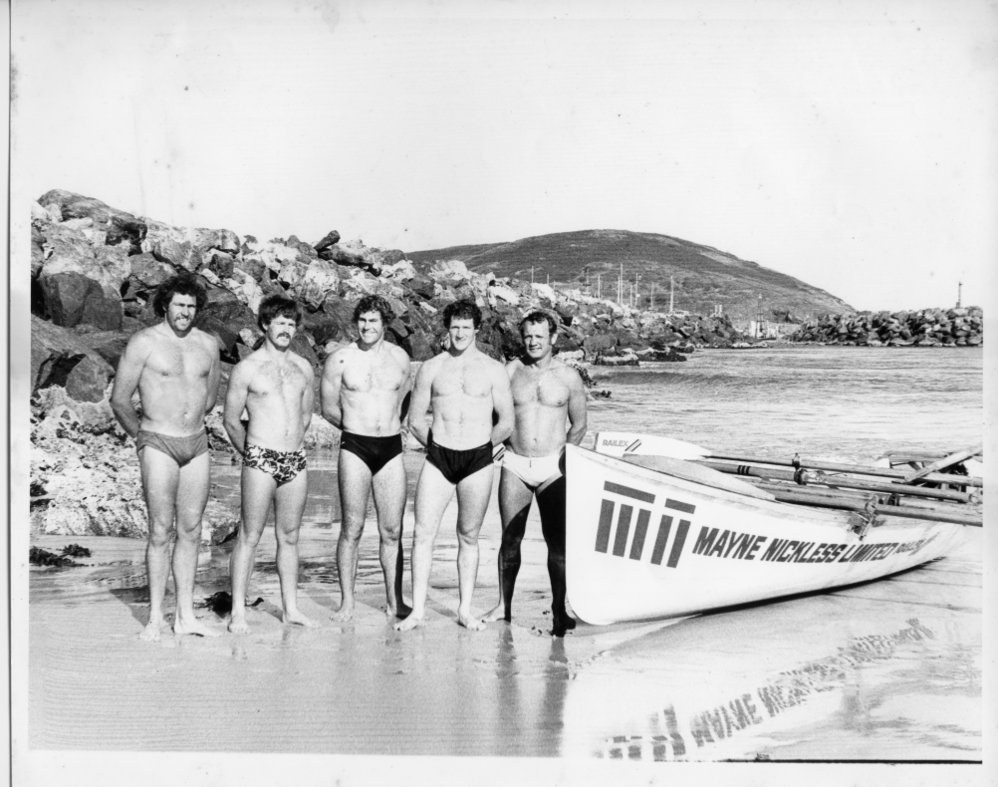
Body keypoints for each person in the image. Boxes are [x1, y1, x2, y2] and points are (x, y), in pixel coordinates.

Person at [110, 273, 222, 641]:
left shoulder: (208, 344)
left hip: (197, 444)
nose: (185, 312)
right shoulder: (144, 343)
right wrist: (143, 438)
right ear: (165, 305)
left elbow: (209, 397)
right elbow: (120, 399)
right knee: (160, 530)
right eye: (179, 305)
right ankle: (156, 617)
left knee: (192, 529)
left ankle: (185, 616)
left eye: (191, 306)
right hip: (158, 442)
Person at [394, 299, 514, 632]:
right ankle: (418, 611)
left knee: (469, 536)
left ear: (477, 329)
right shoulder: (432, 367)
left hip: (478, 459)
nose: (460, 333)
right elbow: (415, 419)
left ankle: (464, 609)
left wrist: (484, 448)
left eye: (466, 327)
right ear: (447, 329)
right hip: (439, 458)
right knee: (422, 533)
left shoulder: (493, 369)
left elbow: (506, 421)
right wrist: (435, 446)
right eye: (454, 327)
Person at [484, 311, 587, 636]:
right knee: (510, 539)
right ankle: (503, 606)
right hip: (515, 463)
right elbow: (492, 414)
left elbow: (579, 425)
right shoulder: (510, 371)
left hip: (553, 468)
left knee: (557, 543)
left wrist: (566, 457)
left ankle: (559, 609)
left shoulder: (569, 377)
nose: (533, 342)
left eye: (539, 336)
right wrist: (494, 443)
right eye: (528, 336)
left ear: (553, 338)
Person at [223, 293, 316, 633]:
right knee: (249, 535)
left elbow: (305, 416)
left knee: (289, 536)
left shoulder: (303, 368)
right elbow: (231, 420)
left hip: (295, 459)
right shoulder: (247, 368)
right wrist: (252, 455)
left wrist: (291, 445)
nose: (286, 329)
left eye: (291, 323)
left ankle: (291, 609)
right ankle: (238, 611)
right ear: (265, 324)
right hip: (260, 457)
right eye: (279, 323)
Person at [320, 294, 412, 621]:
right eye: (362, 320)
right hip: (355, 447)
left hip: (390, 449)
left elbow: (404, 400)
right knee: (352, 528)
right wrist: (355, 428)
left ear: (385, 323)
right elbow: (328, 407)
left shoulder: (400, 358)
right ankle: (347, 602)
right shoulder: (340, 359)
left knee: (392, 530)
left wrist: (389, 425)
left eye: (373, 320)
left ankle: (394, 601)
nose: (367, 326)